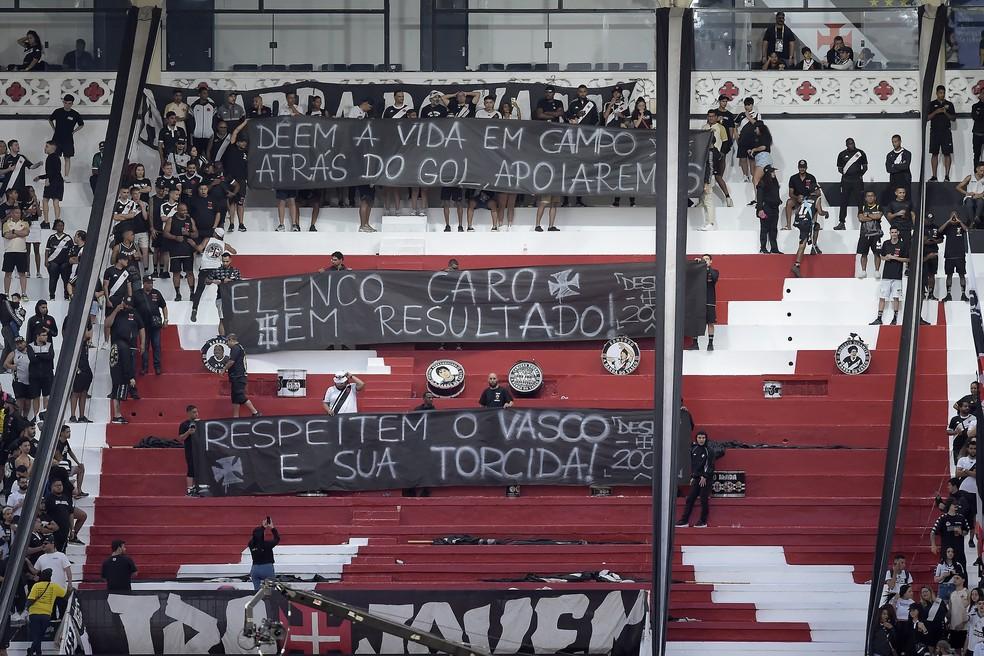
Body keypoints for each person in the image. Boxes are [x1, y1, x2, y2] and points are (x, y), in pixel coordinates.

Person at [870, 227, 909, 326]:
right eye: (892, 232)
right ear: (890, 233)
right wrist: (886, 258)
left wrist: (895, 258)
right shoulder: (886, 243)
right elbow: (881, 256)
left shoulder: (902, 244)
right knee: (882, 297)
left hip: (897, 276)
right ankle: (879, 318)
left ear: (898, 233)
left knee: (896, 297)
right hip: (886, 275)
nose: (894, 234)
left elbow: (908, 259)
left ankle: (895, 319)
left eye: (896, 232)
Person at [676, 430, 715, 528]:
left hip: (706, 479)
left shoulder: (709, 450)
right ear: (696, 439)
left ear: (706, 439)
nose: (701, 440)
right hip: (697, 478)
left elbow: (710, 466)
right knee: (690, 499)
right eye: (699, 438)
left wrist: (705, 476)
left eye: (703, 438)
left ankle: (703, 521)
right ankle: (684, 521)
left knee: (703, 498)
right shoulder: (693, 450)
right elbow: (694, 466)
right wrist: (693, 476)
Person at [26, 568, 65, 656]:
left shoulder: (36, 585)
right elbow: (64, 594)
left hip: (34, 613)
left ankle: (32, 651)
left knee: (37, 634)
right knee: (40, 634)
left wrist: (26, 608)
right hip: (46, 614)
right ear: (50, 577)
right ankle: (37, 652)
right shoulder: (54, 586)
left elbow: (30, 600)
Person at [163, 202, 198, 300]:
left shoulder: (190, 219)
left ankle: (192, 293)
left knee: (190, 272)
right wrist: (175, 237)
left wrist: (189, 234)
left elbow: (196, 234)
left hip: (187, 250)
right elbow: (165, 233)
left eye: (186, 210)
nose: (185, 212)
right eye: (182, 210)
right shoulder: (171, 219)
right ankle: (178, 294)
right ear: (177, 210)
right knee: (176, 272)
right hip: (175, 251)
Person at [132, 275, 166, 375]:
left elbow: (164, 306)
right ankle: (145, 367)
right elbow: (132, 308)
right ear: (144, 283)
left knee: (157, 345)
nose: (151, 285)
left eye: (151, 283)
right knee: (144, 346)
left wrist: (166, 319)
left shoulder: (156, 293)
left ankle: (157, 366)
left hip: (155, 325)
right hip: (143, 326)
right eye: (149, 283)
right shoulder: (137, 294)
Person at [220, 334, 260, 418]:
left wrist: (224, 369)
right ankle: (235, 416)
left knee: (240, 395)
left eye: (227, 342)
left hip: (238, 376)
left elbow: (231, 361)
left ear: (231, 340)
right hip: (236, 376)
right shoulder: (239, 348)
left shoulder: (236, 348)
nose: (227, 344)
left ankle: (255, 412)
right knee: (235, 398)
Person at [835, 138, 867, 231]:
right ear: (846, 145)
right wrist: (848, 175)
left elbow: (865, 167)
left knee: (860, 202)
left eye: (852, 143)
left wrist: (858, 175)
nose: (851, 145)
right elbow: (840, 169)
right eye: (849, 144)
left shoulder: (860, 153)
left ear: (854, 143)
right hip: (846, 181)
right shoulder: (841, 154)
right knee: (843, 201)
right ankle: (841, 223)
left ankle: (863, 223)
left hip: (857, 181)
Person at [48, 95, 84, 178]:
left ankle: (66, 176)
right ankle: (54, 175)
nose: (67, 105)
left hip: (68, 139)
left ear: (72, 104)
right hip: (57, 138)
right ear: (63, 102)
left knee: (67, 158)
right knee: (55, 157)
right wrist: (54, 129)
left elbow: (81, 124)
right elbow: (50, 119)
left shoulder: (75, 114)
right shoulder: (58, 111)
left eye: (69, 103)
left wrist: (74, 132)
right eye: (65, 103)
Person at [932, 498, 971, 575]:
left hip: (959, 551)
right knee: (945, 573)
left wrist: (961, 532)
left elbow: (966, 531)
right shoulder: (943, 518)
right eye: (954, 504)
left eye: (957, 504)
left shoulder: (961, 518)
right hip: (946, 551)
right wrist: (933, 545)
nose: (956, 505)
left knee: (961, 573)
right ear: (949, 506)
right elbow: (933, 532)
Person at [688, 255, 718, 352]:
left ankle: (710, 343)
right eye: (703, 259)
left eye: (707, 259)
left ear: (711, 261)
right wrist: (695, 265)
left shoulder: (715, 271)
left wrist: (707, 267)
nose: (705, 261)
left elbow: (714, 278)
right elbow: (689, 274)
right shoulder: (698, 271)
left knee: (710, 322)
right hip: (698, 300)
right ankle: (695, 343)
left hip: (709, 301)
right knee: (695, 321)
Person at [704, 110, 732, 207]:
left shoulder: (721, 127)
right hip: (706, 158)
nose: (711, 118)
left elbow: (725, 141)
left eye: (712, 116)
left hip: (717, 157)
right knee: (705, 179)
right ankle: (702, 201)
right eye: (709, 116)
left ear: (716, 117)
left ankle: (728, 197)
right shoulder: (704, 127)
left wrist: (722, 154)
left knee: (718, 177)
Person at [928, 85, 956, 182]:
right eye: (940, 93)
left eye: (943, 93)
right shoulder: (932, 104)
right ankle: (934, 176)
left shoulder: (949, 104)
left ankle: (947, 176)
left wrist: (945, 112)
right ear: (936, 93)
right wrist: (936, 111)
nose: (942, 95)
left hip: (946, 132)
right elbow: (927, 118)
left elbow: (953, 118)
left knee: (947, 154)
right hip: (935, 132)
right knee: (934, 153)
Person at [940, 211, 969, 303]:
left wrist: (959, 221)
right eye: (952, 216)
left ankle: (963, 294)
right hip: (949, 255)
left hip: (960, 255)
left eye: (955, 216)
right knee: (949, 275)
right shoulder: (948, 226)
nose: (954, 217)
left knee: (962, 275)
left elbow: (967, 230)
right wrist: (948, 221)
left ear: (958, 216)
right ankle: (948, 294)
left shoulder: (961, 225)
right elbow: (940, 230)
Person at [3, 207, 30, 298]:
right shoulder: (6, 224)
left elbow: (25, 233)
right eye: (16, 213)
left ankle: (23, 293)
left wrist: (14, 231)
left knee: (22, 273)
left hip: (21, 252)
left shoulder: (25, 223)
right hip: (9, 252)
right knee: (8, 273)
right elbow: (7, 235)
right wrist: (19, 233)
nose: (17, 214)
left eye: (19, 213)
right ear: (12, 213)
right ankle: (6, 293)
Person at [248, 517, 280, 591]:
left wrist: (262, 528)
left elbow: (256, 536)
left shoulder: (251, 544)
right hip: (267, 568)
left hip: (255, 568)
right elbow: (277, 539)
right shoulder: (267, 544)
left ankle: (258, 601)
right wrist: (272, 528)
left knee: (257, 591)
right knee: (271, 591)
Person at [857, 190, 884, 279]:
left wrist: (867, 215)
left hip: (876, 233)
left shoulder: (879, 206)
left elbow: (878, 216)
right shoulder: (862, 207)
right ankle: (863, 271)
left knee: (877, 253)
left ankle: (877, 271)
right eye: (868, 196)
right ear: (865, 198)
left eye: (872, 196)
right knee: (864, 254)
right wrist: (872, 217)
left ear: (875, 197)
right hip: (864, 233)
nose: (870, 197)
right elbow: (861, 218)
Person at [755, 164, 781, 254]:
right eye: (772, 171)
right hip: (766, 208)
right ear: (768, 173)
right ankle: (763, 248)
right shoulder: (762, 183)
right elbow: (759, 197)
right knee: (765, 228)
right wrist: (760, 209)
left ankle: (774, 248)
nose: (774, 173)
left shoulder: (774, 182)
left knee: (773, 228)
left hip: (775, 208)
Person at [44, 219, 71, 301]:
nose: (60, 227)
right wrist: (46, 261)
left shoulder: (68, 238)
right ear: (55, 227)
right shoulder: (51, 237)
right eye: (59, 225)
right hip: (53, 262)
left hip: (65, 262)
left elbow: (72, 250)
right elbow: (47, 250)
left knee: (66, 279)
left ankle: (66, 296)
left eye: (62, 225)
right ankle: (52, 296)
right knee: (53, 279)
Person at [178, 405, 200, 496]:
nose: (196, 414)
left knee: (199, 469)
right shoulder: (184, 424)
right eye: (194, 412)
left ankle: (196, 488)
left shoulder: (200, 423)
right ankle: (189, 490)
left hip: (199, 450)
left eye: (197, 412)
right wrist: (188, 432)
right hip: (190, 450)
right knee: (191, 469)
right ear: (189, 413)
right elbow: (181, 438)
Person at [885, 135, 912, 205]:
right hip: (894, 181)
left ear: (900, 141)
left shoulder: (907, 153)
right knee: (893, 200)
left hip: (905, 180)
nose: (894, 144)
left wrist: (894, 165)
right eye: (893, 142)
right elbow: (888, 169)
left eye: (896, 142)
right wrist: (900, 166)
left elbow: (905, 166)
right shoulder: (889, 155)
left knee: (906, 201)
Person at [188, 84, 216, 154]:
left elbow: (215, 120)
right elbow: (191, 121)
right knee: (197, 156)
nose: (206, 95)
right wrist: (193, 132)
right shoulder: (193, 106)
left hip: (209, 136)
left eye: (207, 93)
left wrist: (212, 131)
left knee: (208, 155)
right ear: (199, 94)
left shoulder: (213, 106)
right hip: (196, 136)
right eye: (204, 93)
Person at [949, 400, 979, 464]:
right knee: (959, 465)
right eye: (965, 406)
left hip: (971, 446)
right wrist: (955, 432)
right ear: (960, 408)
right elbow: (948, 431)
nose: (967, 408)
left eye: (968, 406)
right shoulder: (954, 419)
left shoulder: (974, 418)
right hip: (958, 446)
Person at [958, 164, 984, 228]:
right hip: (970, 197)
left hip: (980, 197)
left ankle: (977, 218)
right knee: (969, 202)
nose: (982, 172)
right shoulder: (970, 177)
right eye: (981, 170)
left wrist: (981, 194)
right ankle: (973, 221)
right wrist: (967, 193)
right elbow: (958, 187)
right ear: (977, 169)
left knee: (980, 201)